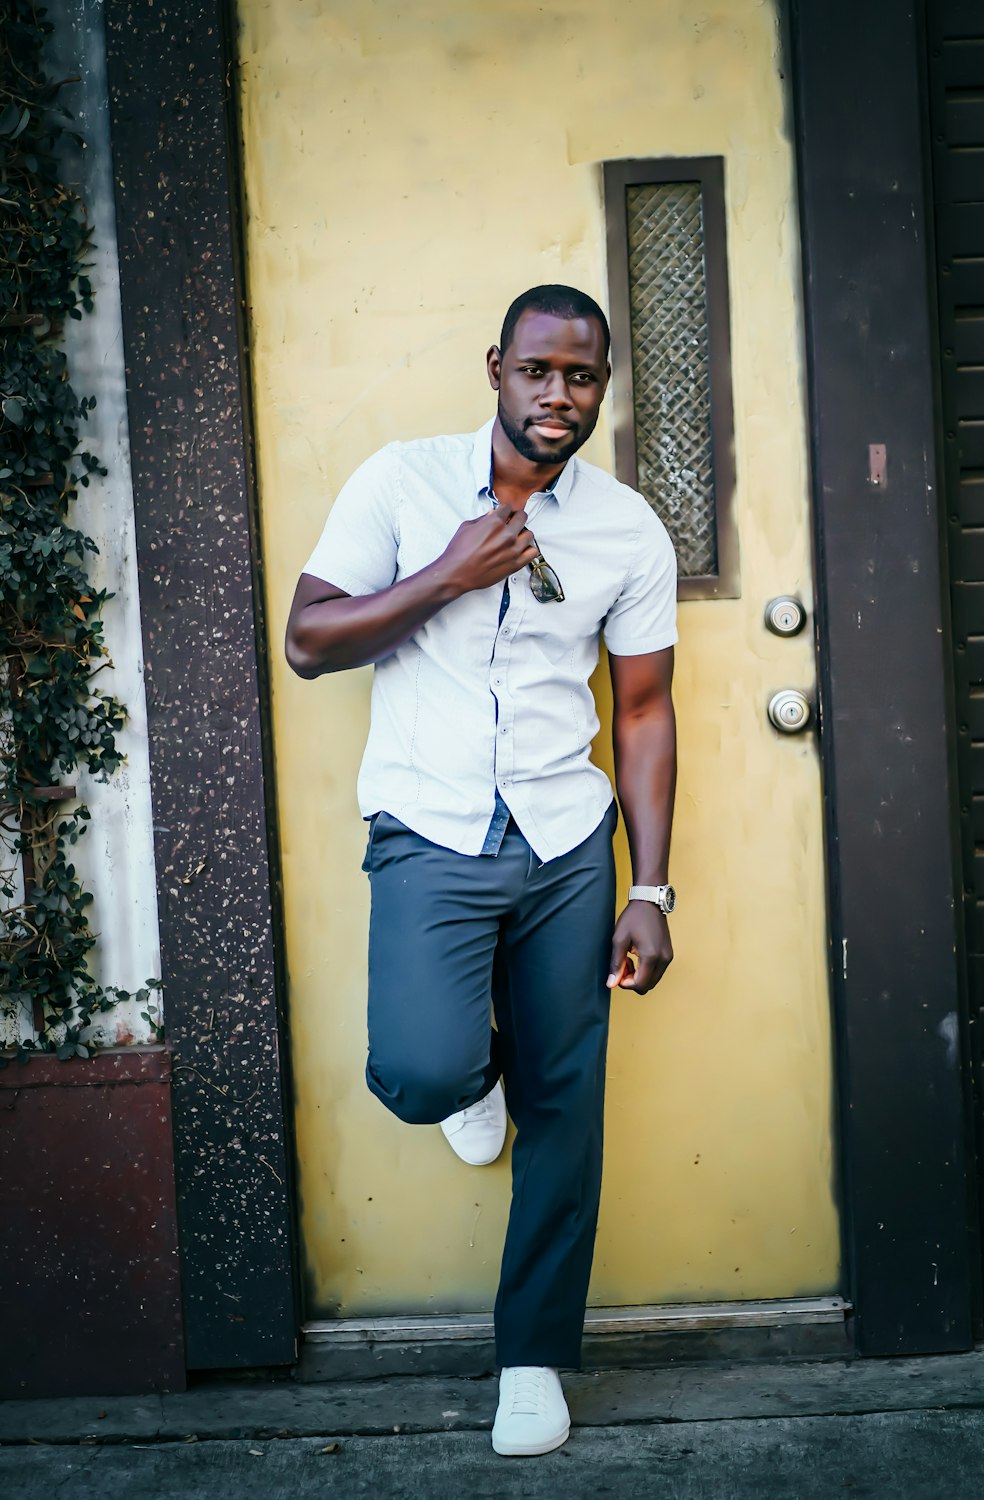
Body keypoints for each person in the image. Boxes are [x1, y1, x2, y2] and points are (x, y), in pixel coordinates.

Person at [285, 284, 678, 1458]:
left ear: (599, 386)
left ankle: (532, 1357)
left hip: (565, 840)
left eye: (584, 377)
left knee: (570, 1103)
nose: (560, 396)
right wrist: (450, 573)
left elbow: (646, 710)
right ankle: (476, 1080)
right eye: (539, 371)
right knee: (416, 1070)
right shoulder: (399, 483)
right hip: (428, 830)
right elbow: (309, 641)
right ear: (495, 367)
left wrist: (650, 888)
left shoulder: (625, 528)